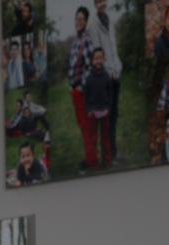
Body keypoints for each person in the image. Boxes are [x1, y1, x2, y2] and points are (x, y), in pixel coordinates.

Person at [89, 0, 123, 160]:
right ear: (95, 4)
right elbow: (98, 54)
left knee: (114, 115)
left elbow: (114, 48)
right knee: (107, 118)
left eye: (104, 0)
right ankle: (109, 155)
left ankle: (113, 153)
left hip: (116, 75)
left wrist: (118, 66)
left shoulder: (110, 20)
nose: (102, 3)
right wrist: (109, 71)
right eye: (99, 1)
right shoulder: (93, 25)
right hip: (106, 77)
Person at [68, 6, 95, 172]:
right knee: (82, 125)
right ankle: (90, 157)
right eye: (76, 19)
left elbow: (91, 67)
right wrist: (69, 84)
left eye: (81, 19)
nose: (78, 22)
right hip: (74, 91)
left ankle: (90, 161)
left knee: (86, 126)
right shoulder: (75, 41)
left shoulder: (87, 40)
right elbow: (71, 66)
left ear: (85, 22)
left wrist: (81, 85)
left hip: (82, 91)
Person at [84, 47, 113, 168]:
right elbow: (87, 95)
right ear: (92, 61)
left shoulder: (107, 76)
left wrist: (108, 107)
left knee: (105, 137)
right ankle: (93, 162)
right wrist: (89, 110)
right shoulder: (89, 78)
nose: (98, 61)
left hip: (105, 111)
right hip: (93, 112)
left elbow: (110, 94)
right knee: (93, 138)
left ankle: (107, 160)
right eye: (96, 58)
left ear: (104, 59)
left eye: (100, 58)